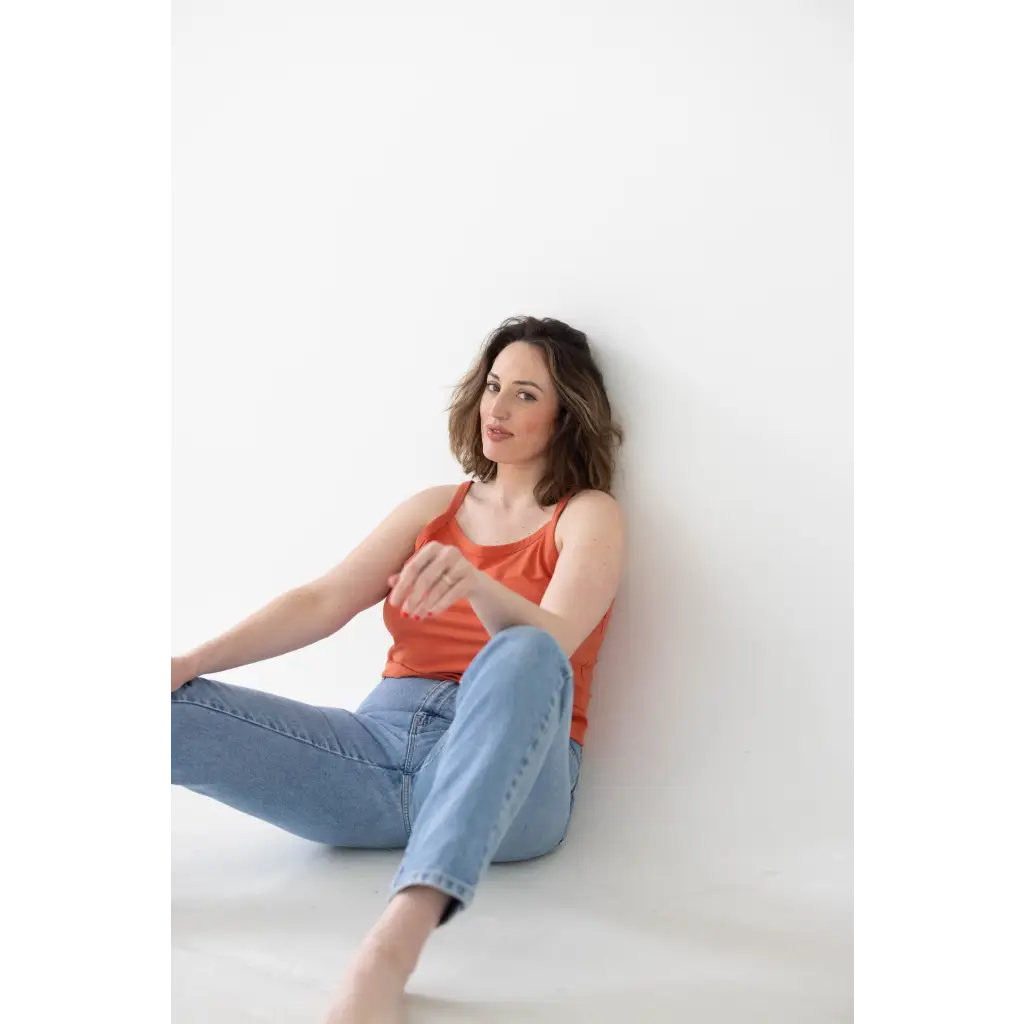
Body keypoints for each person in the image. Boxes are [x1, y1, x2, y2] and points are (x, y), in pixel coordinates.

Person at [168, 315, 626, 1023]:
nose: (497, 409)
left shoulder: (586, 515)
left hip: (514, 781)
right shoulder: (431, 509)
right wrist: (189, 661)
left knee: (525, 650)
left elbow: (555, 642)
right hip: (378, 754)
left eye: (527, 395)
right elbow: (322, 601)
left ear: (568, 414)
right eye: (493, 386)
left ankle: (391, 949)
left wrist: (476, 585)